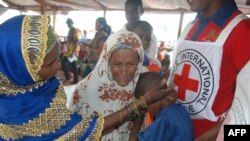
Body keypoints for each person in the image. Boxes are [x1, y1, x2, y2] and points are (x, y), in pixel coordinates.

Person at [0, 15, 174, 141]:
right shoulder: (84, 90)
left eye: (131, 64)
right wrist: (141, 103)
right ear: (20, 68)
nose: (58, 67)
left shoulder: (45, 84)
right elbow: (79, 129)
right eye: (49, 64)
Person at [167, 0, 250, 140]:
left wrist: (212, 137)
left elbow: (244, 125)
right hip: (178, 131)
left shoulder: (243, 31)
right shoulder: (191, 25)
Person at [69, 30, 151, 141]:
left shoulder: (144, 84)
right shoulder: (84, 89)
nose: (123, 71)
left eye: (130, 64)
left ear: (139, 62)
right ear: (107, 61)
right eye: (117, 64)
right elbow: (73, 130)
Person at [129, 72, 194, 141]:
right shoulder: (180, 109)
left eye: (144, 106)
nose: (146, 111)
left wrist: (137, 122)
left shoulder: (163, 119)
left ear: (149, 101)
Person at [61, 18, 80, 84]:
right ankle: (70, 78)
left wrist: (73, 52)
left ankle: (74, 80)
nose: (68, 24)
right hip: (69, 51)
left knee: (71, 64)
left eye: (69, 23)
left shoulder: (74, 30)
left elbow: (77, 41)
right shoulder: (70, 30)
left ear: (71, 23)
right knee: (66, 63)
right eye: (67, 23)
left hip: (73, 51)